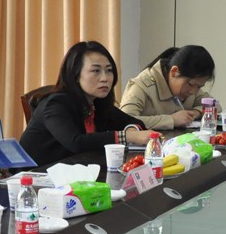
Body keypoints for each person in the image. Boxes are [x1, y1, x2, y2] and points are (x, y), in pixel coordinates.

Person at [19, 41, 155, 166]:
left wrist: (131, 129)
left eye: (109, 70)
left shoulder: (96, 102)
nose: (104, 78)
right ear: (76, 75)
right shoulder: (55, 105)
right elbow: (76, 142)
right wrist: (127, 136)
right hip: (35, 175)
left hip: (77, 170)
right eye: (96, 71)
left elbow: (132, 121)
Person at [119, 45, 217, 130]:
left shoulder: (192, 88)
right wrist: (171, 120)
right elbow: (123, 121)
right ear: (174, 72)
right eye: (190, 84)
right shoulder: (141, 86)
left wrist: (196, 112)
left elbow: (214, 104)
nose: (193, 91)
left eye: (199, 87)